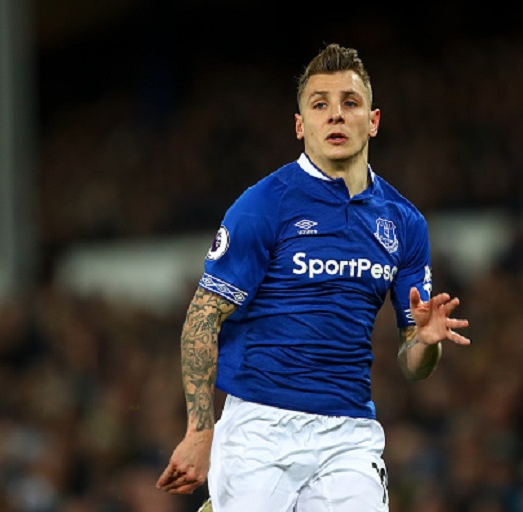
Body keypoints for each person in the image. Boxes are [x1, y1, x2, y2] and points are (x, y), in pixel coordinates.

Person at [155, 43, 471, 511]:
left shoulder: (405, 224)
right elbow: (201, 320)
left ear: (374, 119)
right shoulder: (264, 205)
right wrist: (201, 432)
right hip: (260, 429)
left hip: (349, 433)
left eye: (349, 102)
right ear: (301, 125)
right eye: (320, 105)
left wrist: (425, 341)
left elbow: (412, 365)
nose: (336, 116)